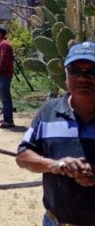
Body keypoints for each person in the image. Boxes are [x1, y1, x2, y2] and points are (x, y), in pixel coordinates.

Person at [16, 41, 95, 226]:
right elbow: (22, 157)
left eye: (92, 71)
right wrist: (56, 165)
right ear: (66, 76)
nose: (83, 78)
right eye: (75, 71)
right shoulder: (48, 113)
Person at [0, 25, 15, 128]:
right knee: (3, 98)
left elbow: (2, 62)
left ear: (0, 34)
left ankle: (8, 121)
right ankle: (6, 118)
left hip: (3, 76)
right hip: (1, 76)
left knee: (5, 98)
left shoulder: (4, 45)